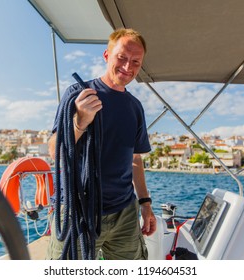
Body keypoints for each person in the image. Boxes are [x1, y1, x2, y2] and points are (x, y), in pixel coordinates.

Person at [46, 28, 156, 260]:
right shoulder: (78, 94)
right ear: (107, 56)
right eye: (122, 58)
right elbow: (54, 150)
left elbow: (135, 160)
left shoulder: (135, 107)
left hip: (124, 212)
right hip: (78, 209)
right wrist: (81, 122)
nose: (128, 67)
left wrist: (145, 204)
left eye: (135, 62)